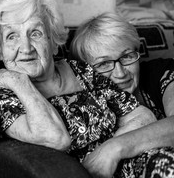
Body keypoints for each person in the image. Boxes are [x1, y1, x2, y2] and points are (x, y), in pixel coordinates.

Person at [0, 0, 174, 178]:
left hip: (136, 161)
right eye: (11, 36)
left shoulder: (82, 70)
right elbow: (56, 139)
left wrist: (108, 152)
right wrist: (22, 84)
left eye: (36, 34)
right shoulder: (0, 93)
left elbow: (143, 116)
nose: (26, 47)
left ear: (54, 43)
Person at [70, 12, 174, 177]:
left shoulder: (161, 72)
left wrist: (113, 148)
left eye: (127, 56)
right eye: (104, 63)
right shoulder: (83, 106)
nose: (120, 73)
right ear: (85, 71)